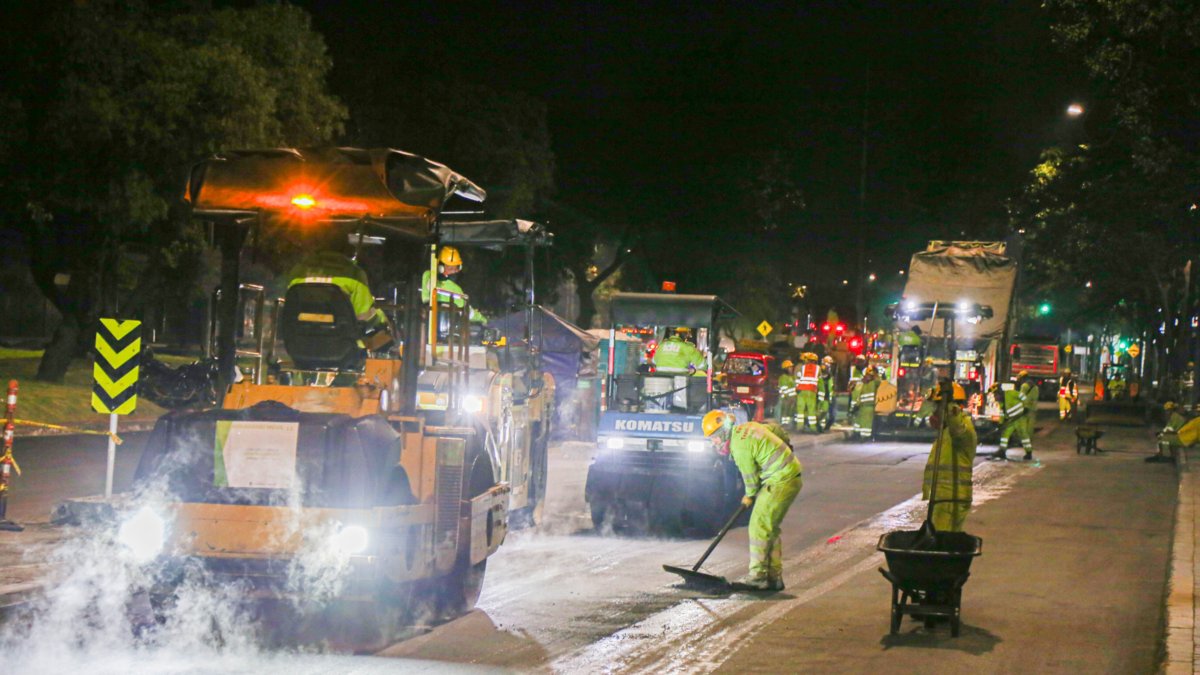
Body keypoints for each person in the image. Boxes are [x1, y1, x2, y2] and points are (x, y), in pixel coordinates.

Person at [702, 410, 802, 591]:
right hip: (789, 476)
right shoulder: (748, 427)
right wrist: (787, 446)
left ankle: (758, 577)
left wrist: (748, 496)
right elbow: (776, 430)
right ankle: (773, 577)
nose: (714, 443)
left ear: (722, 433)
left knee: (758, 527)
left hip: (780, 481)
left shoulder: (739, 448)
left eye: (713, 438)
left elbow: (751, 481)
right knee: (769, 528)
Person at [287, 247, 389, 343]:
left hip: (300, 340)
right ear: (348, 250)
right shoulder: (354, 273)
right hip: (339, 343)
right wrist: (381, 317)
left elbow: (287, 303)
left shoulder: (298, 271)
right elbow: (363, 315)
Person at [922, 380, 978, 532]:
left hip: (950, 498)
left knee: (940, 540)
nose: (934, 413)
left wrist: (949, 404)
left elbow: (957, 428)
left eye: (937, 407)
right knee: (946, 540)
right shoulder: (945, 432)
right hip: (944, 497)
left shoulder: (963, 429)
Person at [422, 246, 486, 324]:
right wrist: (483, 319)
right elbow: (469, 313)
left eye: (456, 268)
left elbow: (467, 310)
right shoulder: (430, 277)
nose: (454, 272)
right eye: (450, 268)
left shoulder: (428, 275)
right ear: (440, 267)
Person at [849, 365, 880, 441]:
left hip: (868, 405)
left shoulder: (873, 382)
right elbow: (856, 394)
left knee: (865, 422)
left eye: (869, 376)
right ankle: (858, 434)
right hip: (861, 406)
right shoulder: (863, 383)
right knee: (860, 421)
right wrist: (854, 406)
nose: (867, 377)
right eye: (867, 375)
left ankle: (864, 436)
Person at [795, 352, 821, 432]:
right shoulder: (818, 368)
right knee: (811, 410)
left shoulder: (802, 367)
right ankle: (813, 428)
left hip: (801, 390)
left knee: (800, 409)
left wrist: (797, 388)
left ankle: (799, 427)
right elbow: (819, 379)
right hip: (811, 391)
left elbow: (798, 378)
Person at [1018, 370, 1039, 460]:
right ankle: (1028, 444)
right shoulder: (1035, 386)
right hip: (1032, 409)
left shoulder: (1024, 386)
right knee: (1030, 429)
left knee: (1023, 429)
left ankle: (1026, 446)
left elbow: (1021, 397)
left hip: (1025, 409)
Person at [776, 360, 797, 430]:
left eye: (792, 367)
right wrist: (788, 397)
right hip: (786, 398)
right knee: (785, 411)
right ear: (785, 369)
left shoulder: (792, 377)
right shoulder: (783, 377)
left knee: (790, 412)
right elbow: (784, 389)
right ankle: (784, 424)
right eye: (790, 367)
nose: (791, 369)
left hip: (792, 398)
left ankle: (788, 424)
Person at [817, 355, 836, 432]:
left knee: (827, 413)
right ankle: (820, 426)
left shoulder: (829, 372)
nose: (830, 365)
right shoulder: (822, 370)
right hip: (823, 397)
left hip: (828, 396)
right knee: (823, 412)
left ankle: (822, 427)